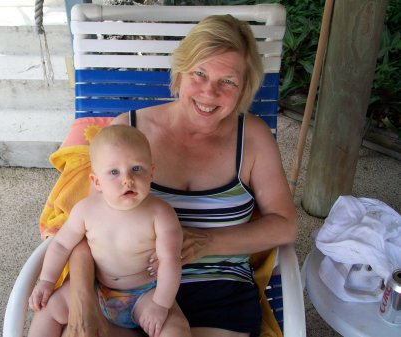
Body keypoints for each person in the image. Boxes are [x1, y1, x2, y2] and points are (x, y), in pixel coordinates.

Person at [65, 14, 298, 337]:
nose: (209, 92)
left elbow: (285, 225)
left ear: (245, 87)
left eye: (227, 81)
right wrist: (81, 298)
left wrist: (207, 243)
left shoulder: (253, 139)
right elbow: (82, 231)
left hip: (217, 291)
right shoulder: (127, 132)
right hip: (123, 293)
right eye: (199, 74)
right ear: (179, 73)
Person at [28, 125, 190, 337]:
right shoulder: (86, 210)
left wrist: (160, 304)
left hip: (144, 294)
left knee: (177, 330)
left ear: (152, 172)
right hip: (97, 289)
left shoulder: (160, 214)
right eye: (114, 172)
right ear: (97, 182)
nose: (127, 179)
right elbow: (61, 244)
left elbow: (170, 261)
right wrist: (47, 281)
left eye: (137, 169)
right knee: (48, 311)